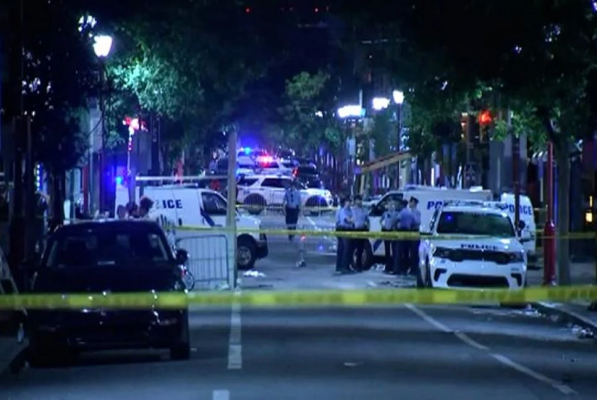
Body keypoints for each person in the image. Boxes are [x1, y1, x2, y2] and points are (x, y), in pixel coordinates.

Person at [395, 199, 415, 275]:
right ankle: (405, 269)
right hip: (408, 233)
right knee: (406, 252)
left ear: (402, 205)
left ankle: (397, 270)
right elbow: (414, 223)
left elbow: (397, 220)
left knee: (399, 252)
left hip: (401, 232)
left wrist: (395, 228)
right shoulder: (410, 213)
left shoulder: (402, 212)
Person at [335, 196, 354, 274]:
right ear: (345, 202)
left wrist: (352, 221)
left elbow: (353, 219)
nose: (350, 203)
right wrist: (351, 220)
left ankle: (345, 266)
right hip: (343, 229)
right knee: (344, 249)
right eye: (348, 201)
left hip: (349, 229)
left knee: (347, 249)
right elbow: (346, 220)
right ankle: (342, 266)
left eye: (350, 202)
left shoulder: (350, 211)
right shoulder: (342, 210)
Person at [351, 195, 369, 272]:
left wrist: (367, 226)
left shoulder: (364, 210)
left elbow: (367, 219)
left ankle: (359, 265)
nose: (360, 202)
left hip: (362, 229)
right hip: (355, 230)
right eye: (359, 200)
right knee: (354, 248)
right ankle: (354, 265)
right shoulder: (352, 210)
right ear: (355, 201)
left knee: (361, 248)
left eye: (361, 200)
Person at [381, 200, 399, 274]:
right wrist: (383, 226)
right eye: (389, 205)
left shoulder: (396, 214)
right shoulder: (385, 213)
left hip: (393, 232)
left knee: (394, 251)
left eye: (392, 205)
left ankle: (394, 267)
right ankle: (387, 266)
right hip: (386, 232)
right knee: (387, 250)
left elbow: (397, 222)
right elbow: (381, 220)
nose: (391, 206)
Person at [409, 197, 421, 276]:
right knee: (411, 251)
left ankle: (414, 269)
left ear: (414, 203)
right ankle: (412, 268)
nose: (409, 204)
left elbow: (418, 222)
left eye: (411, 202)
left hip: (414, 232)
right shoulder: (410, 212)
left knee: (414, 252)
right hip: (409, 232)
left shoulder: (417, 212)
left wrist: (411, 222)